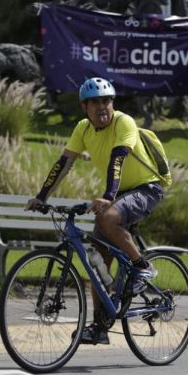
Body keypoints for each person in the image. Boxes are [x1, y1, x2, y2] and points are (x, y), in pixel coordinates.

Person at [26, 77, 164, 345]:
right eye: (95, 102)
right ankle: (100, 327)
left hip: (147, 188)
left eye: (106, 101)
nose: (102, 107)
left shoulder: (123, 122)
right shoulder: (83, 129)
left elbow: (118, 159)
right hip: (119, 193)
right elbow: (64, 163)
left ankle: (143, 267)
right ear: (84, 107)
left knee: (109, 216)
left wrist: (108, 197)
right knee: (97, 266)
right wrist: (42, 196)